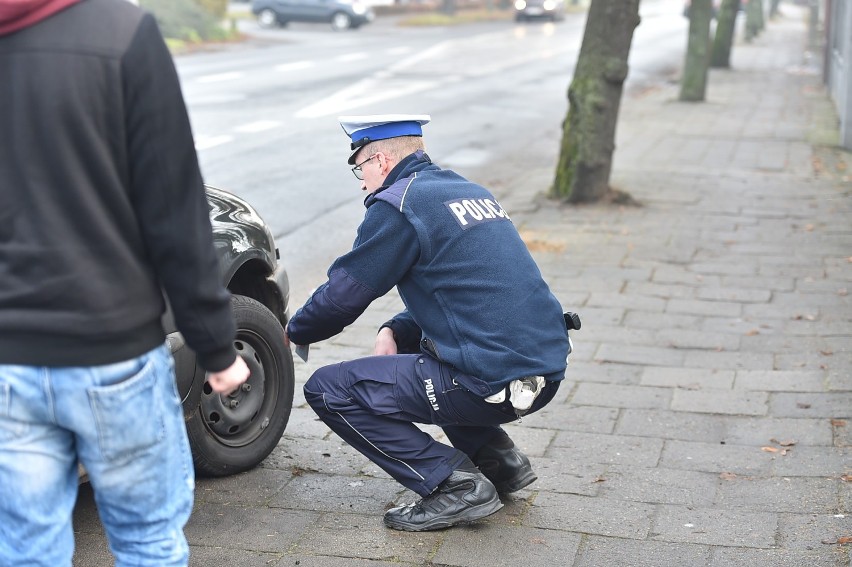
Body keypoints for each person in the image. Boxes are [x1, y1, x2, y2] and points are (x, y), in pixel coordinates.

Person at [0, 1, 249, 565]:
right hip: (110, 349)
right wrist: (214, 345)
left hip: (7, 361)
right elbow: (173, 205)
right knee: (146, 542)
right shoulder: (120, 31)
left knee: (25, 551)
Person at [285, 114, 572, 532]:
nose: (362, 181)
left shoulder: (398, 206)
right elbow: (460, 291)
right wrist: (397, 329)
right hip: (543, 374)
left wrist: (292, 331)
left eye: (359, 168)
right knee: (431, 352)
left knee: (329, 389)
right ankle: (500, 462)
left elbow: (342, 297)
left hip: (491, 384)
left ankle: (454, 486)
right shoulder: (466, 192)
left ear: (381, 161)